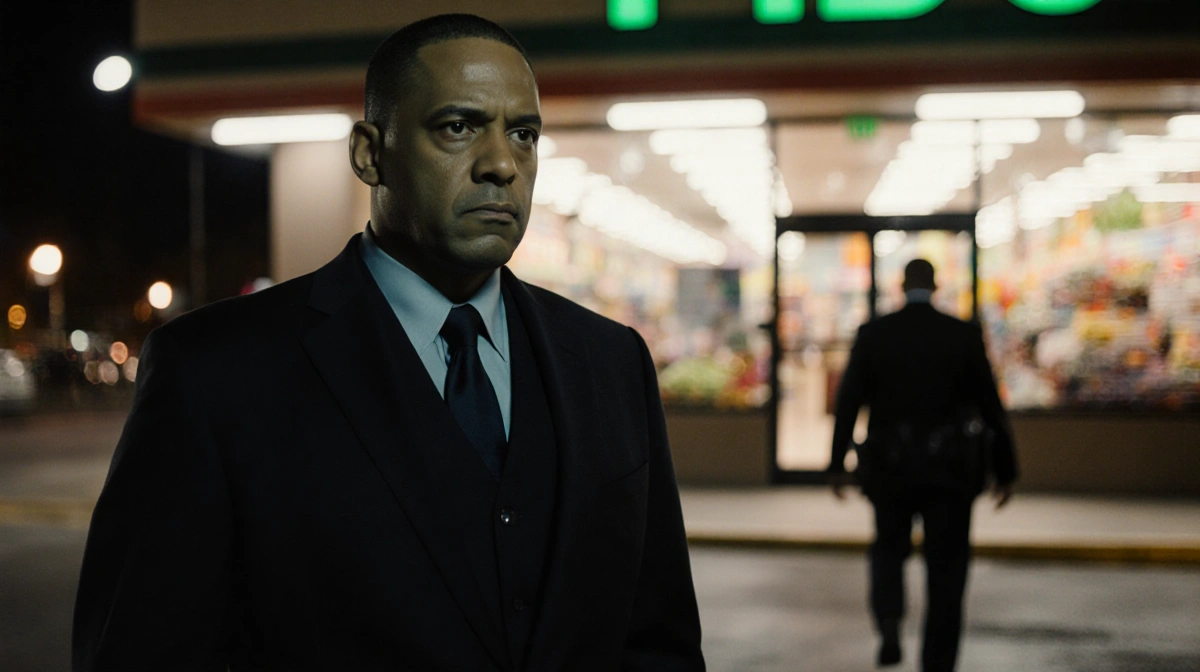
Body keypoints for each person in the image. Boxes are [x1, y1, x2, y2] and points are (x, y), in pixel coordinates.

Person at [72, 14, 705, 672]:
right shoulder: (216, 373)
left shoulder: (611, 362)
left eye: (523, 134)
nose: (500, 165)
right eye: (458, 127)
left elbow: (659, 640)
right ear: (370, 153)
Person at [827, 258, 1017, 672]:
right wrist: (1006, 470)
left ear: (901, 286)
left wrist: (837, 461)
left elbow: (848, 400)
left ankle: (890, 621)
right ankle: (938, 661)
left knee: (888, 549)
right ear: (936, 285)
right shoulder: (962, 335)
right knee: (948, 568)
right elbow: (991, 406)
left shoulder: (875, 333)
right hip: (949, 470)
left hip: (890, 466)